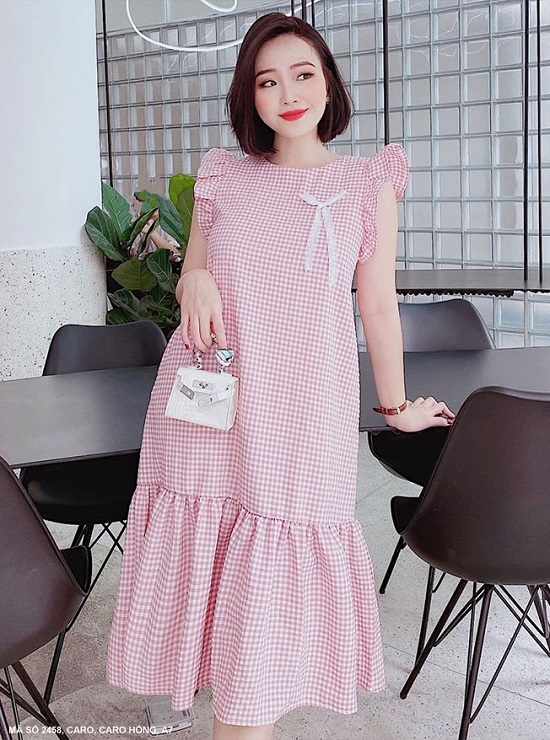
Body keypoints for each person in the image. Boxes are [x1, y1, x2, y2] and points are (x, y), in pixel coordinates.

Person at [107, 12, 454, 740]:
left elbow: (378, 308)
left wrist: (396, 407)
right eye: (268, 81)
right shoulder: (224, 174)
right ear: (250, 95)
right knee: (207, 573)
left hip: (302, 410)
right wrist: (194, 280)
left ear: (328, 84)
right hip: (209, 403)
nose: (288, 94)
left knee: (263, 619)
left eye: (302, 74)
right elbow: (196, 267)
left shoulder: (365, 183)